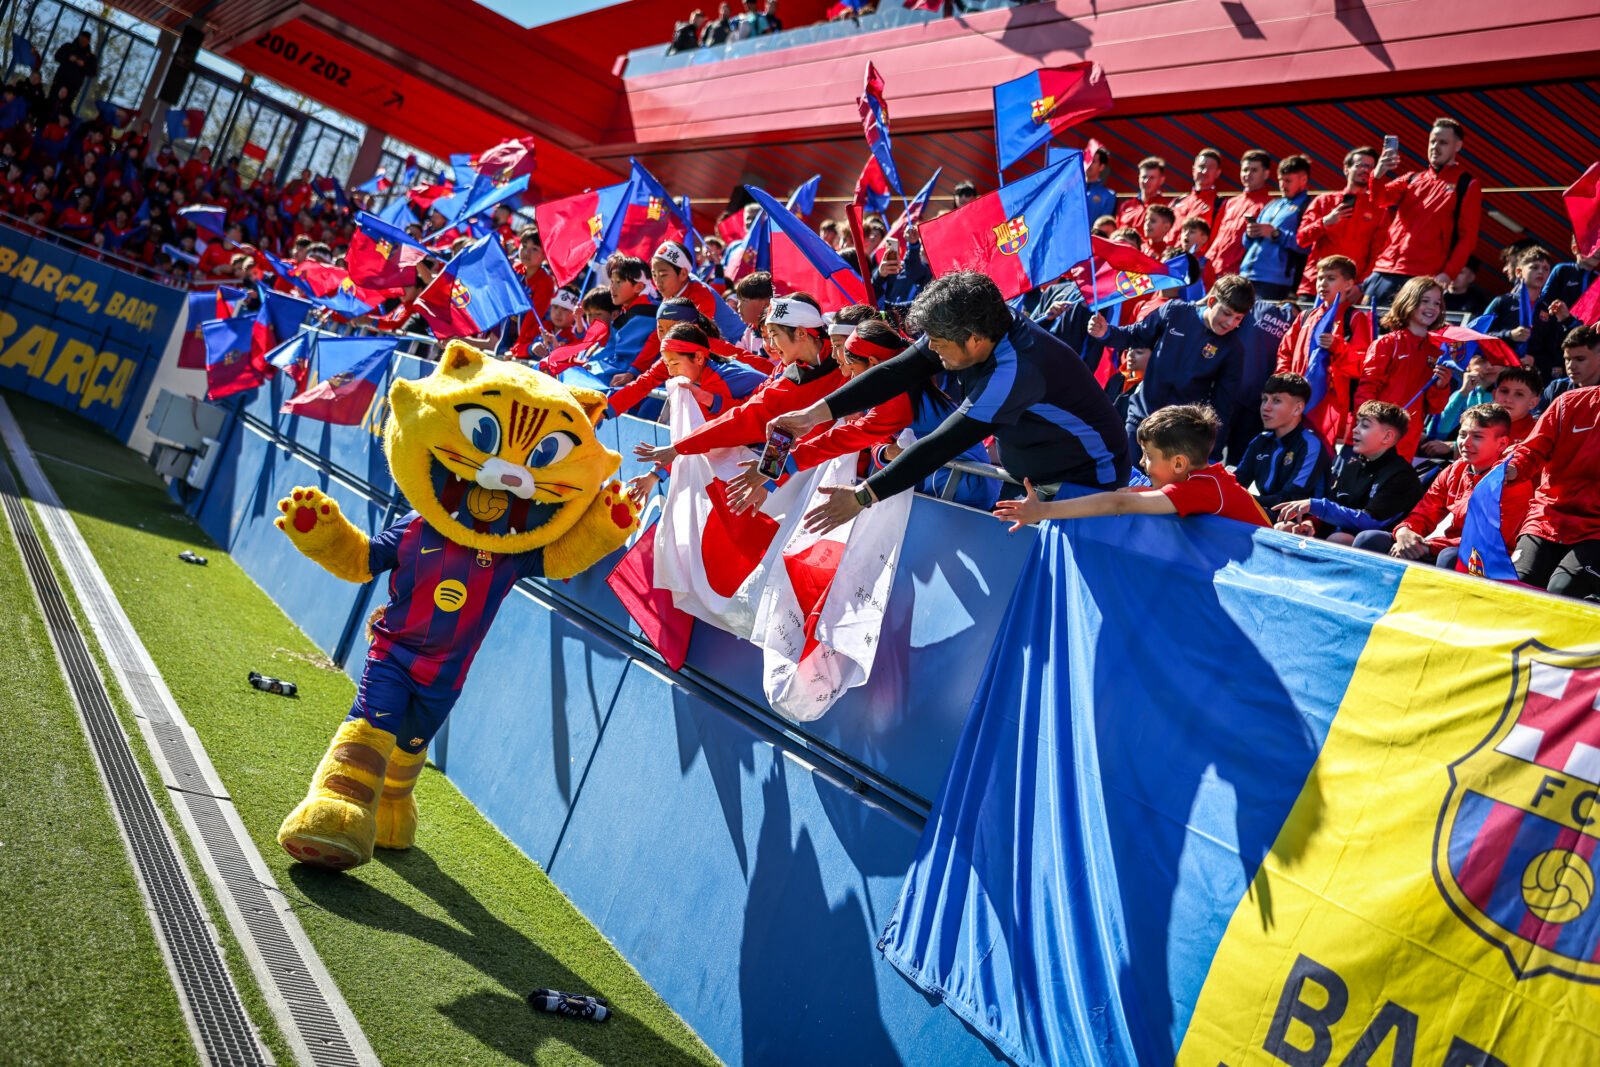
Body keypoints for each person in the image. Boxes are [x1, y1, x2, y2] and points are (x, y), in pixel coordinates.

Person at [769, 272, 1129, 534]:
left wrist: (863, 496)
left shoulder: (1015, 370)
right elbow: (895, 372)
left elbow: (941, 444)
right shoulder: (973, 325)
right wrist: (811, 414)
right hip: (1038, 479)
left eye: (938, 343)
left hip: (1087, 484)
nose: (932, 350)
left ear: (973, 340)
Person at [634, 294, 844, 471]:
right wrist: (771, 472)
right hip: (807, 466)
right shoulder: (786, 371)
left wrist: (771, 472)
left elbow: (754, 418)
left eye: (774, 335)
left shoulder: (847, 362)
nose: (770, 346)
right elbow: (756, 416)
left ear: (800, 333)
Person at [994, 404, 1269, 530]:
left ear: (1178, 463)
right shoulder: (1206, 479)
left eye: (1148, 455)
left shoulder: (1204, 488)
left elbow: (1118, 505)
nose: (1141, 462)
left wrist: (1043, 511)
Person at [1088, 274, 1255, 455]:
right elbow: (1135, 335)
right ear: (1212, 301)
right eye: (1227, 313)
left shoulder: (1233, 349)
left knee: (1158, 484)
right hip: (1141, 417)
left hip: (1179, 434)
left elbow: (1223, 404)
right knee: (1126, 478)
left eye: (1238, 318)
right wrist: (1106, 333)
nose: (1230, 323)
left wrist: (1212, 452)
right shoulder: (1175, 312)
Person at [1354, 404, 1527, 568]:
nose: (1465, 443)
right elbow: (1424, 512)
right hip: (1444, 548)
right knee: (1369, 539)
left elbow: (1489, 540)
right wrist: (1404, 532)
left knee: (1450, 557)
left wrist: (1428, 547)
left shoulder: (1512, 481)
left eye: (1477, 436)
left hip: (1489, 560)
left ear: (1502, 444)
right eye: (1462, 434)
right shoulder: (1455, 470)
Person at [1504, 342, 1600, 599]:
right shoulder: (1568, 403)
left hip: (1596, 531)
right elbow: (1530, 450)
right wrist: (1512, 469)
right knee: (1516, 585)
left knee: (1563, 590)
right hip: (1548, 518)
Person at [1365, 117, 1483, 307]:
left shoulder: (1467, 184)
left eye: (1443, 142)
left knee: (1407, 333)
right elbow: (1380, 199)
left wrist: (1448, 273)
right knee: (1365, 332)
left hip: (1420, 275)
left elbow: (1467, 238)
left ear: (1458, 146)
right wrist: (1378, 174)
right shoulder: (1412, 178)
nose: (1435, 147)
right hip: (1384, 270)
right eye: (1432, 141)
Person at [1272, 402, 1424, 543]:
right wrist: (1311, 523)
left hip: (1376, 542)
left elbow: (1370, 522)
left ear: (1387, 436)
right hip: (1341, 533)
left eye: (1364, 426)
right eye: (1357, 424)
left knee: (1339, 539)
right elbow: (1336, 504)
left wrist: (1317, 506)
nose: (1355, 430)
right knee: (1283, 528)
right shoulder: (1352, 466)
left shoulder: (1402, 475)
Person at [1274, 255, 1371, 447]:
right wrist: (1284, 384)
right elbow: (1285, 352)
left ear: (1349, 284)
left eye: (1331, 278)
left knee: (1317, 454)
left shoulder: (1355, 318)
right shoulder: (1306, 316)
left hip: (1330, 407)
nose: (1323, 283)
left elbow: (1361, 365)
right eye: (1320, 278)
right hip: (1296, 399)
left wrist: (1337, 346)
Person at [1354, 275, 1452, 461]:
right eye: (1425, 301)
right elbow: (1367, 389)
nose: (1432, 307)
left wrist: (1441, 385)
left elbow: (1435, 408)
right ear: (1409, 301)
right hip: (1378, 433)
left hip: (1409, 436)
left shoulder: (1438, 352)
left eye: (1437, 303)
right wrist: (1366, 425)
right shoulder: (1387, 343)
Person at [1295, 146, 1384, 297]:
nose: (1365, 170)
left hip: (1349, 290)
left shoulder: (1379, 209)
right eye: (1359, 165)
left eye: (1369, 166)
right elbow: (1301, 239)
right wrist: (1325, 222)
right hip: (1315, 285)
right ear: (1346, 169)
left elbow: (1378, 254)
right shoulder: (1324, 201)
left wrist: (1361, 285)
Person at [1233, 373, 1331, 510]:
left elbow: (1290, 498)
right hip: (1267, 512)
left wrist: (1243, 500)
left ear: (1297, 408)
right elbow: (1235, 484)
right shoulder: (1260, 441)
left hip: (1303, 522)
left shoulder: (1310, 445)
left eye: (1276, 401)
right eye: (1264, 399)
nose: (1266, 407)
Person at [1486, 246, 1577, 381]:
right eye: (1534, 267)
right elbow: (1480, 336)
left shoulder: (1550, 310)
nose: (1540, 272)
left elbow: (1555, 353)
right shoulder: (1502, 302)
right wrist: (1509, 335)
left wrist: (1534, 360)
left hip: (1531, 379)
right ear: (1518, 272)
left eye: (1545, 269)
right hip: (1499, 373)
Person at [1240, 155, 1311, 299]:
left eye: (1288, 181)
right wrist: (1250, 233)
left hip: (1275, 281)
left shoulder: (1308, 206)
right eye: (1280, 180)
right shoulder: (1272, 205)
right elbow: (1246, 244)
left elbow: (1306, 245)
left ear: (1303, 179)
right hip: (1247, 274)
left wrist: (1276, 234)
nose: (1283, 185)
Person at [1210, 149, 1274, 277]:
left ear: (1266, 174)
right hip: (1212, 269)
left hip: (1238, 274)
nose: (1248, 174)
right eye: (1245, 170)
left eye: (1254, 170)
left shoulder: (1269, 205)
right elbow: (1216, 237)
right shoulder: (1231, 203)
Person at [1170, 148, 1222, 250]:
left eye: (1210, 168)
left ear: (1217, 173)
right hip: (1169, 259)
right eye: (1201, 167)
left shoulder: (1220, 204)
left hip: (1197, 262)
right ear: (1193, 170)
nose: (1204, 171)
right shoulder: (1177, 202)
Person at [1539, 322, 1600, 408]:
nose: (1571, 366)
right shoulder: (1556, 389)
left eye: (1580, 359)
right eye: (1567, 359)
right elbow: (1537, 419)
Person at [1116, 156, 1168, 233]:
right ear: (1138, 178)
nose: (1146, 181)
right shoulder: (1126, 206)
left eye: (1152, 178)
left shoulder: (1166, 207)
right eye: (1144, 177)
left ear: (1161, 180)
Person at [50, 31, 99, 108]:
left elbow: (93, 72)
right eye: (82, 39)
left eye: (85, 40)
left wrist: (84, 65)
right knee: (51, 101)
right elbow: (57, 56)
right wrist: (68, 57)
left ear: (88, 41)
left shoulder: (91, 58)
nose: (83, 42)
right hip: (60, 80)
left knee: (64, 107)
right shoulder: (68, 47)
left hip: (73, 86)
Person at [1492, 366, 1541, 441]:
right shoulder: (1479, 425)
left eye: (1519, 394)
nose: (1508, 400)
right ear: (1494, 394)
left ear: (1532, 403)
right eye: (1504, 391)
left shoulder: (1538, 433)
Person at [1083, 143, 1115, 226]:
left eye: (1093, 161)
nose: (1088, 164)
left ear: (1101, 167)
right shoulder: (1071, 189)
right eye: (1087, 159)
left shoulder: (1108, 195)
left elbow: (1103, 226)